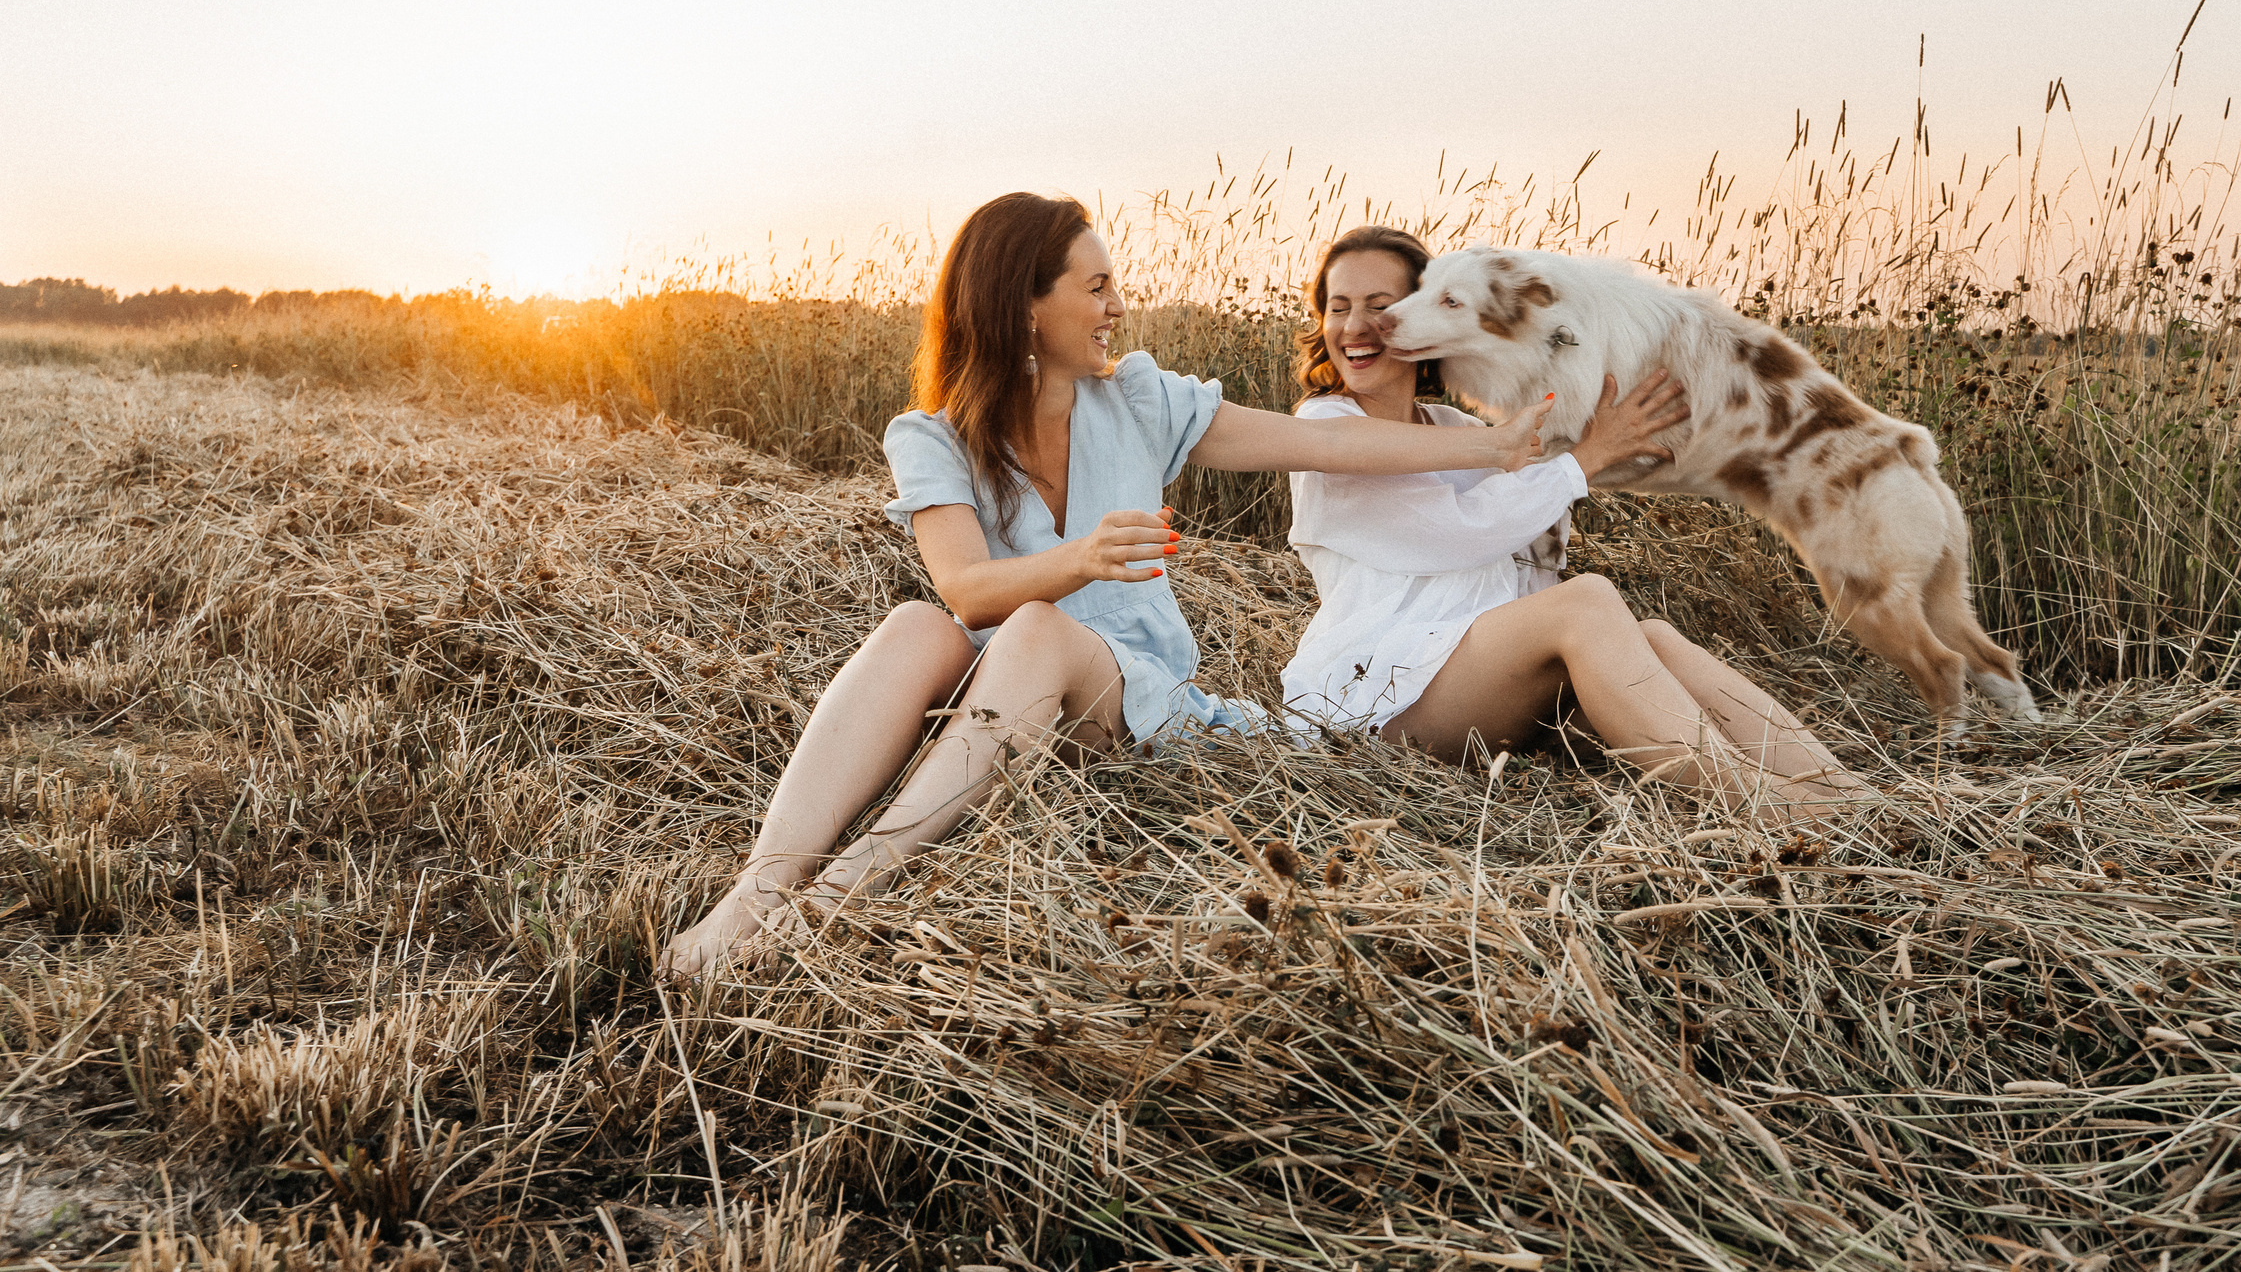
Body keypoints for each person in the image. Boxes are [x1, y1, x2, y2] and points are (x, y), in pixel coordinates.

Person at [662, 194, 1555, 977]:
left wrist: (1491, 445)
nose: (1117, 306)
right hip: (999, 684)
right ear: (1024, 307)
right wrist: (1080, 558)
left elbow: (1326, 443)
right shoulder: (930, 435)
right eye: (1095, 288)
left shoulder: (1136, 400)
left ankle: (838, 899)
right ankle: (759, 889)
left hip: (1133, 705)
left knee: (1042, 629)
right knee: (914, 625)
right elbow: (967, 590)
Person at [1279, 225, 1874, 820]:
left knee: (1655, 638)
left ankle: (1849, 798)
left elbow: (1534, 562)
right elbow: (1458, 533)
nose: (1360, 326)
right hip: (1379, 696)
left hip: (1486, 687)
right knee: (1586, 603)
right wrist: (1586, 457)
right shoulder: (1323, 428)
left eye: (1380, 306)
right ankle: (1772, 807)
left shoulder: (1459, 431)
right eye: (1339, 307)